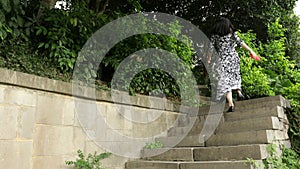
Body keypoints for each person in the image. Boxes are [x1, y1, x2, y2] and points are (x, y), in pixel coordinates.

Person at [208, 17, 260, 112]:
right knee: (236, 75)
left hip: (222, 59)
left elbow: (211, 47)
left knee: (225, 81)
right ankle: (239, 92)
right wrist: (251, 50)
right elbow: (241, 42)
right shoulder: (232, 32)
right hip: (233, 58)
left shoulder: (215, 35)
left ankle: (231, 104)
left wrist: (209, 58)